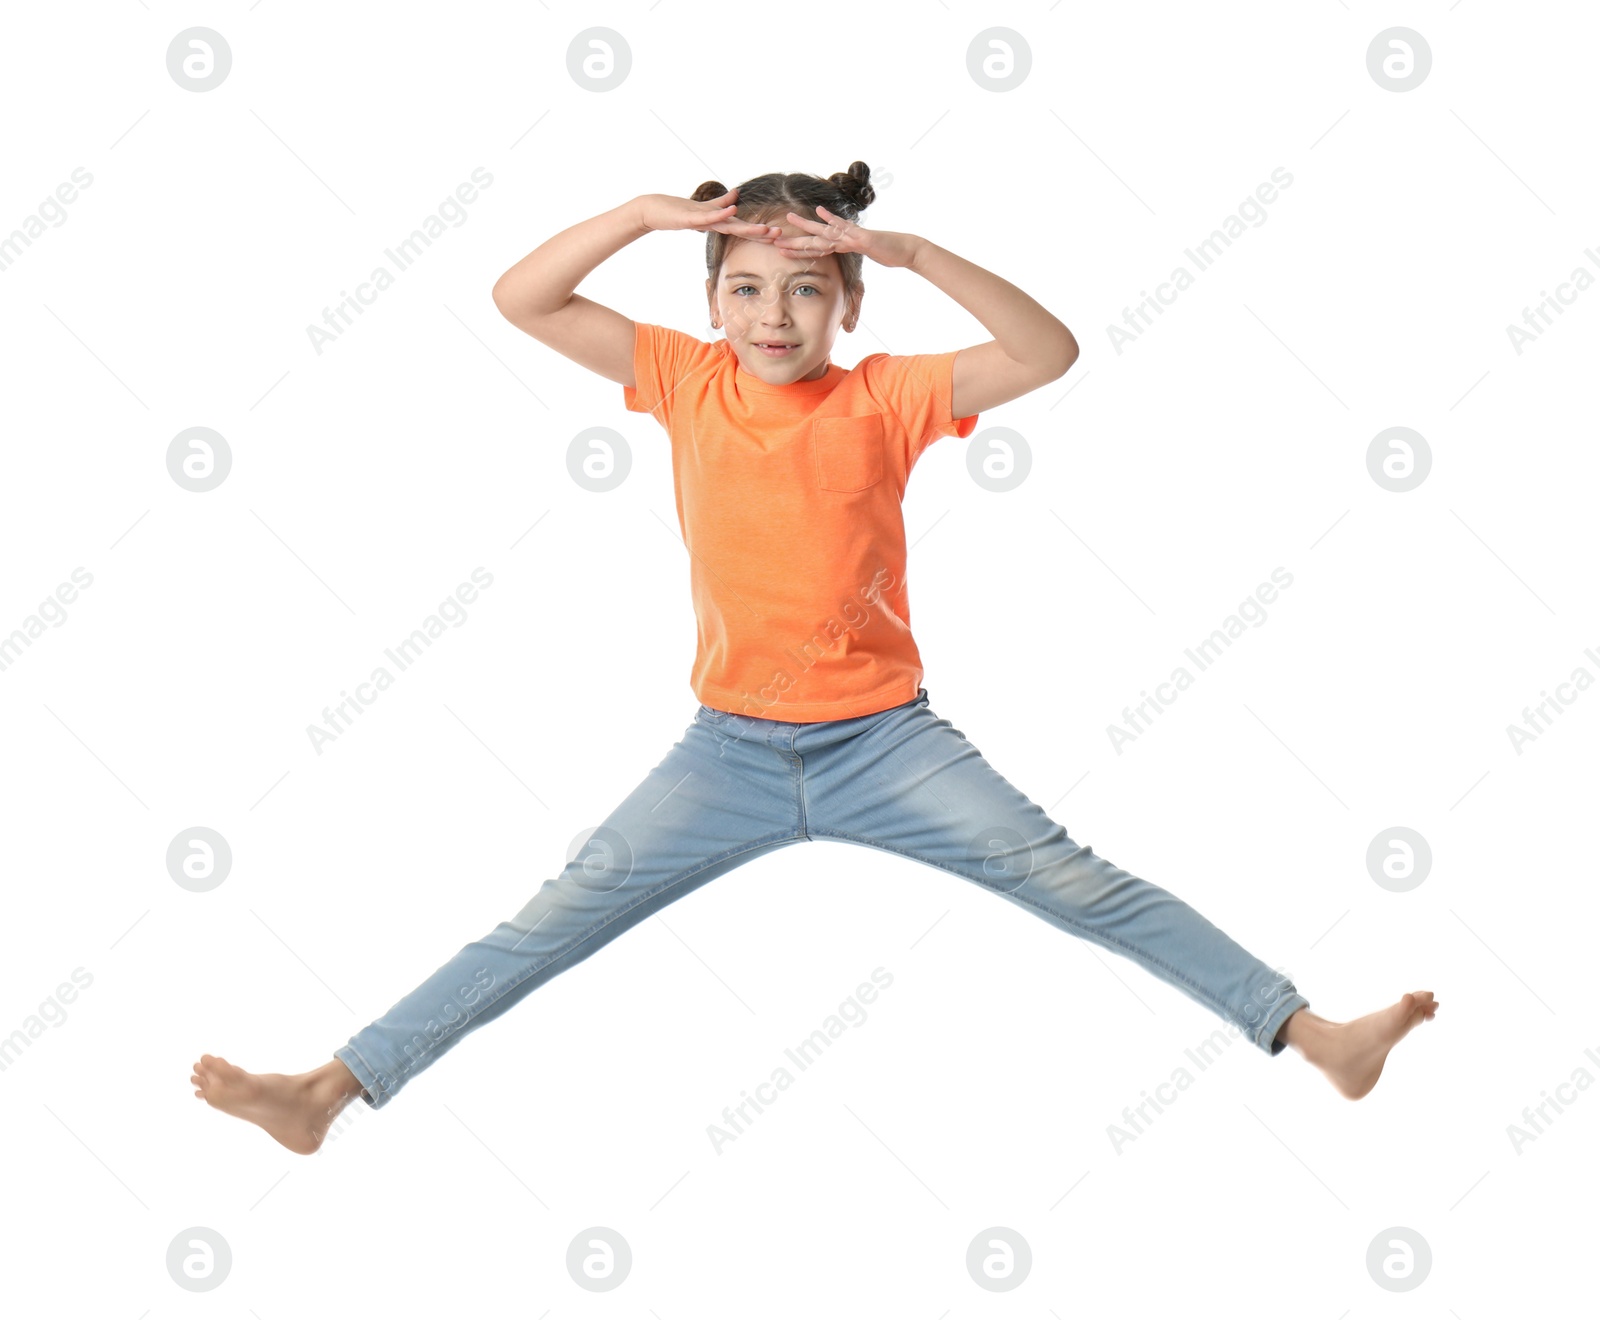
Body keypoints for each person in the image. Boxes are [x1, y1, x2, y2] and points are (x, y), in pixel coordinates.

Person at [193, 162, 1438, 1156]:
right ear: (712, 305)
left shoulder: (888, 396)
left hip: (882, 743)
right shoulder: (683, 381)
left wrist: (907, 252)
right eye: (743, 289)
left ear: (845, 305)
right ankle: (326, 1091)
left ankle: (1311, 1033)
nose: (771, 316)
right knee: (548, 921)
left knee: (1073, 883)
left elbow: (1047, 351)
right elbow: (522, 298)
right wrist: (638, 213)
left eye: (802, 291)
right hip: (723, 750)